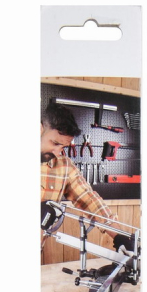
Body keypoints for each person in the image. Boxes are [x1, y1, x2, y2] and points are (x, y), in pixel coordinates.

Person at [40, 101, 118, 253]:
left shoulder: (63, 165)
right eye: (54, 143)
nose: (57, 152)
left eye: (63, 147)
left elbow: (89, 199)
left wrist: (120, 237)